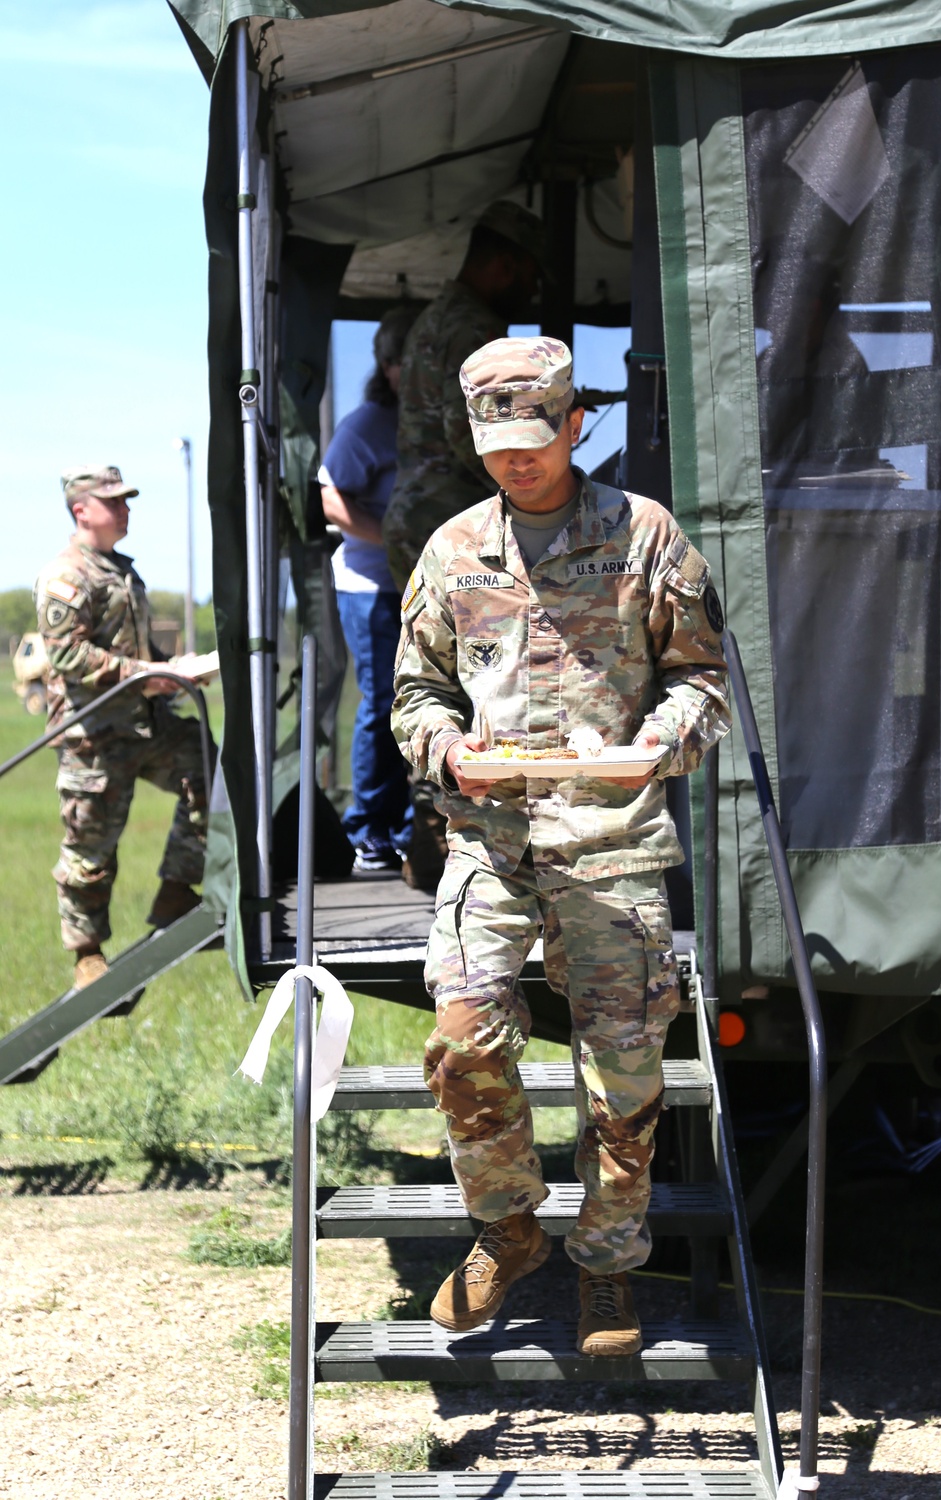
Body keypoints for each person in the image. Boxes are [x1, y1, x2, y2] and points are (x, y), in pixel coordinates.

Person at [392, 338, 731, 1358]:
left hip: (611, 842)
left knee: (621, 1077)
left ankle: (609, 1267)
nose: (515, 462)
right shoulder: (451, 551)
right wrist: (452, 757)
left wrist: (650, 751)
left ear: (575, 424)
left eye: (533, 441)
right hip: (490, 842)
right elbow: (415, 695)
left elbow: (703, 682)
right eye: (496, 447)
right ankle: (507, 1224)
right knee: (461, 1030)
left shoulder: (645, 534)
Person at [382, 198, 547, 890]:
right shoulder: (474, 329)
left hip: (417, 515)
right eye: (524, 273)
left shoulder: (434, 317)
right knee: (478, 678)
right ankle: (461, 837)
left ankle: (436, 828)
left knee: (436, 677)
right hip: (450, 525)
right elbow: (470, 438)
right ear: (501, 263)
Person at [35, 466, 214, 990]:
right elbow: (68, 655)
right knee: (90, 848)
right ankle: (87, 954)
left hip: (144, 725)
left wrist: (174, 669)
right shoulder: (67, 576)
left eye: (125, 500)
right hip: (93, 735)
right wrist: (152, 676)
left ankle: (177, 892)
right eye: (112, 502)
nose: (125, 509)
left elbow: (130, 649)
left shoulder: (120, 571)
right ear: (81, 510)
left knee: (209, 765)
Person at [319, 306, 420, 871]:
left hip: (432, 589)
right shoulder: (366, 426)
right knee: (384, 703)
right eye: (410, 364)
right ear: (387, 368)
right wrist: (394, 542)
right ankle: (370, 831)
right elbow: (331, 498)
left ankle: (413, 828)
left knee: (427, 703)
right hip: (373, 587)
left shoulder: (437, 422)